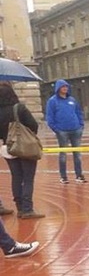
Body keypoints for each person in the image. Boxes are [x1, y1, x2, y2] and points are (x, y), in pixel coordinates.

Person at [0, 83, 45, 219]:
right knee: (28, 178)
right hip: (25, 147)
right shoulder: (19, 108)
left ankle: (19, 207)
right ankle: (27, 209)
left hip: (7, 148)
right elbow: (33, 125)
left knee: (16, 177)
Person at [46, 79, 86, 184]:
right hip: (62, 131)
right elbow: (50, 116)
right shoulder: (52, 101)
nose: (65, 88)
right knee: (63, 154)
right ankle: (63, 176)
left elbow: (78, 112)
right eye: (63, 87)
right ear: (58, 88)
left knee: (77, 154)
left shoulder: (72, 100)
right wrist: (56, 129)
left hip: (76, 130)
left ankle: (79, 175)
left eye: (66, 86)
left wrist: (81, 124)